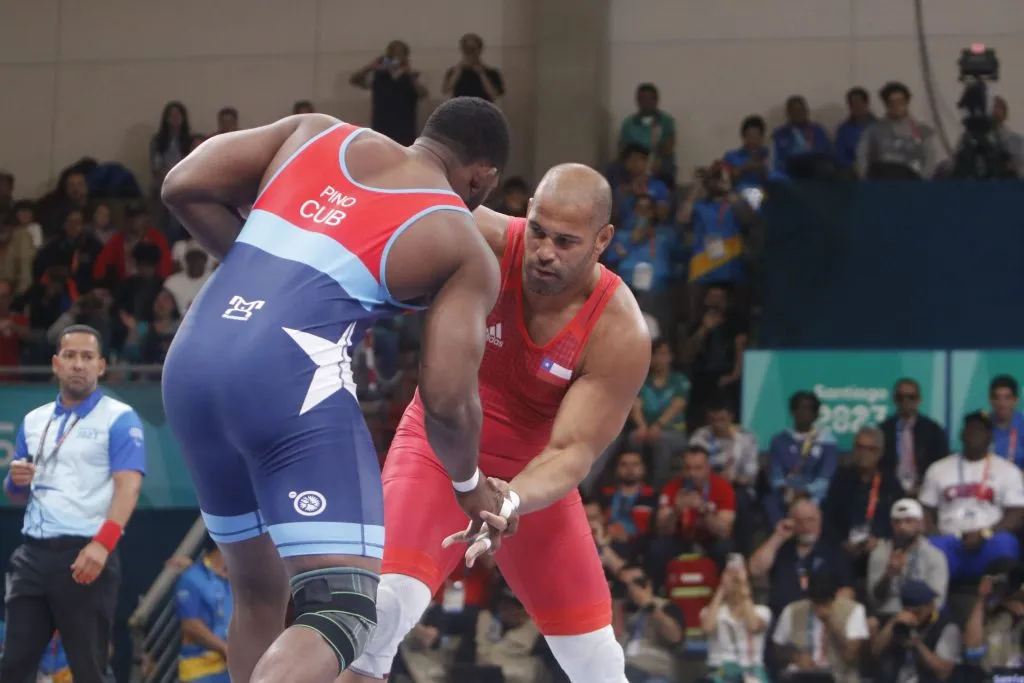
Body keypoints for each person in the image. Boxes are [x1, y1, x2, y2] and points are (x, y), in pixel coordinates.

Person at [158, 98, 513, 683]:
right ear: (483, 177)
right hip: (285, 378)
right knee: (342, 608)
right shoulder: (460, 240)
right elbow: (447, 400)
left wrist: (265, 272)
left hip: (193, 358)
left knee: (258, 589)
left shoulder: (317, 132)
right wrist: (469, 485)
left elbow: (182, 185)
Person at [341, 163, 651, 683]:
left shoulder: (619, 330)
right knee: (382, 615)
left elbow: (570, 452)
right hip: (439, 450)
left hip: (530, 478)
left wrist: (508, 501)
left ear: (603, 240)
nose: (544, 252)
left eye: (566, 242)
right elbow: (397, 184)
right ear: (526, 214)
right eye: (538, 232)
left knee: (598, 662)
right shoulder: (485, 236)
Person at [0, 325, 146, 683]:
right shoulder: (34, 420)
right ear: (56, 364)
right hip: (33, 555)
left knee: (89, 670)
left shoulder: (119, 417)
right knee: (12, 666)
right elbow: (16, 493)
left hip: (86, 555)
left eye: (87, 356)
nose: (78, 364)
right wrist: (14, 481)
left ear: (101, 365)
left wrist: (102, 545)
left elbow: (128, 487)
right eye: (70, 355)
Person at [175, 538, 232, 683]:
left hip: (231, 668)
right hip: (200, 672)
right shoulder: (192, 578)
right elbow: (190, 625)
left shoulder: (235, 577)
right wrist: (225, 649)